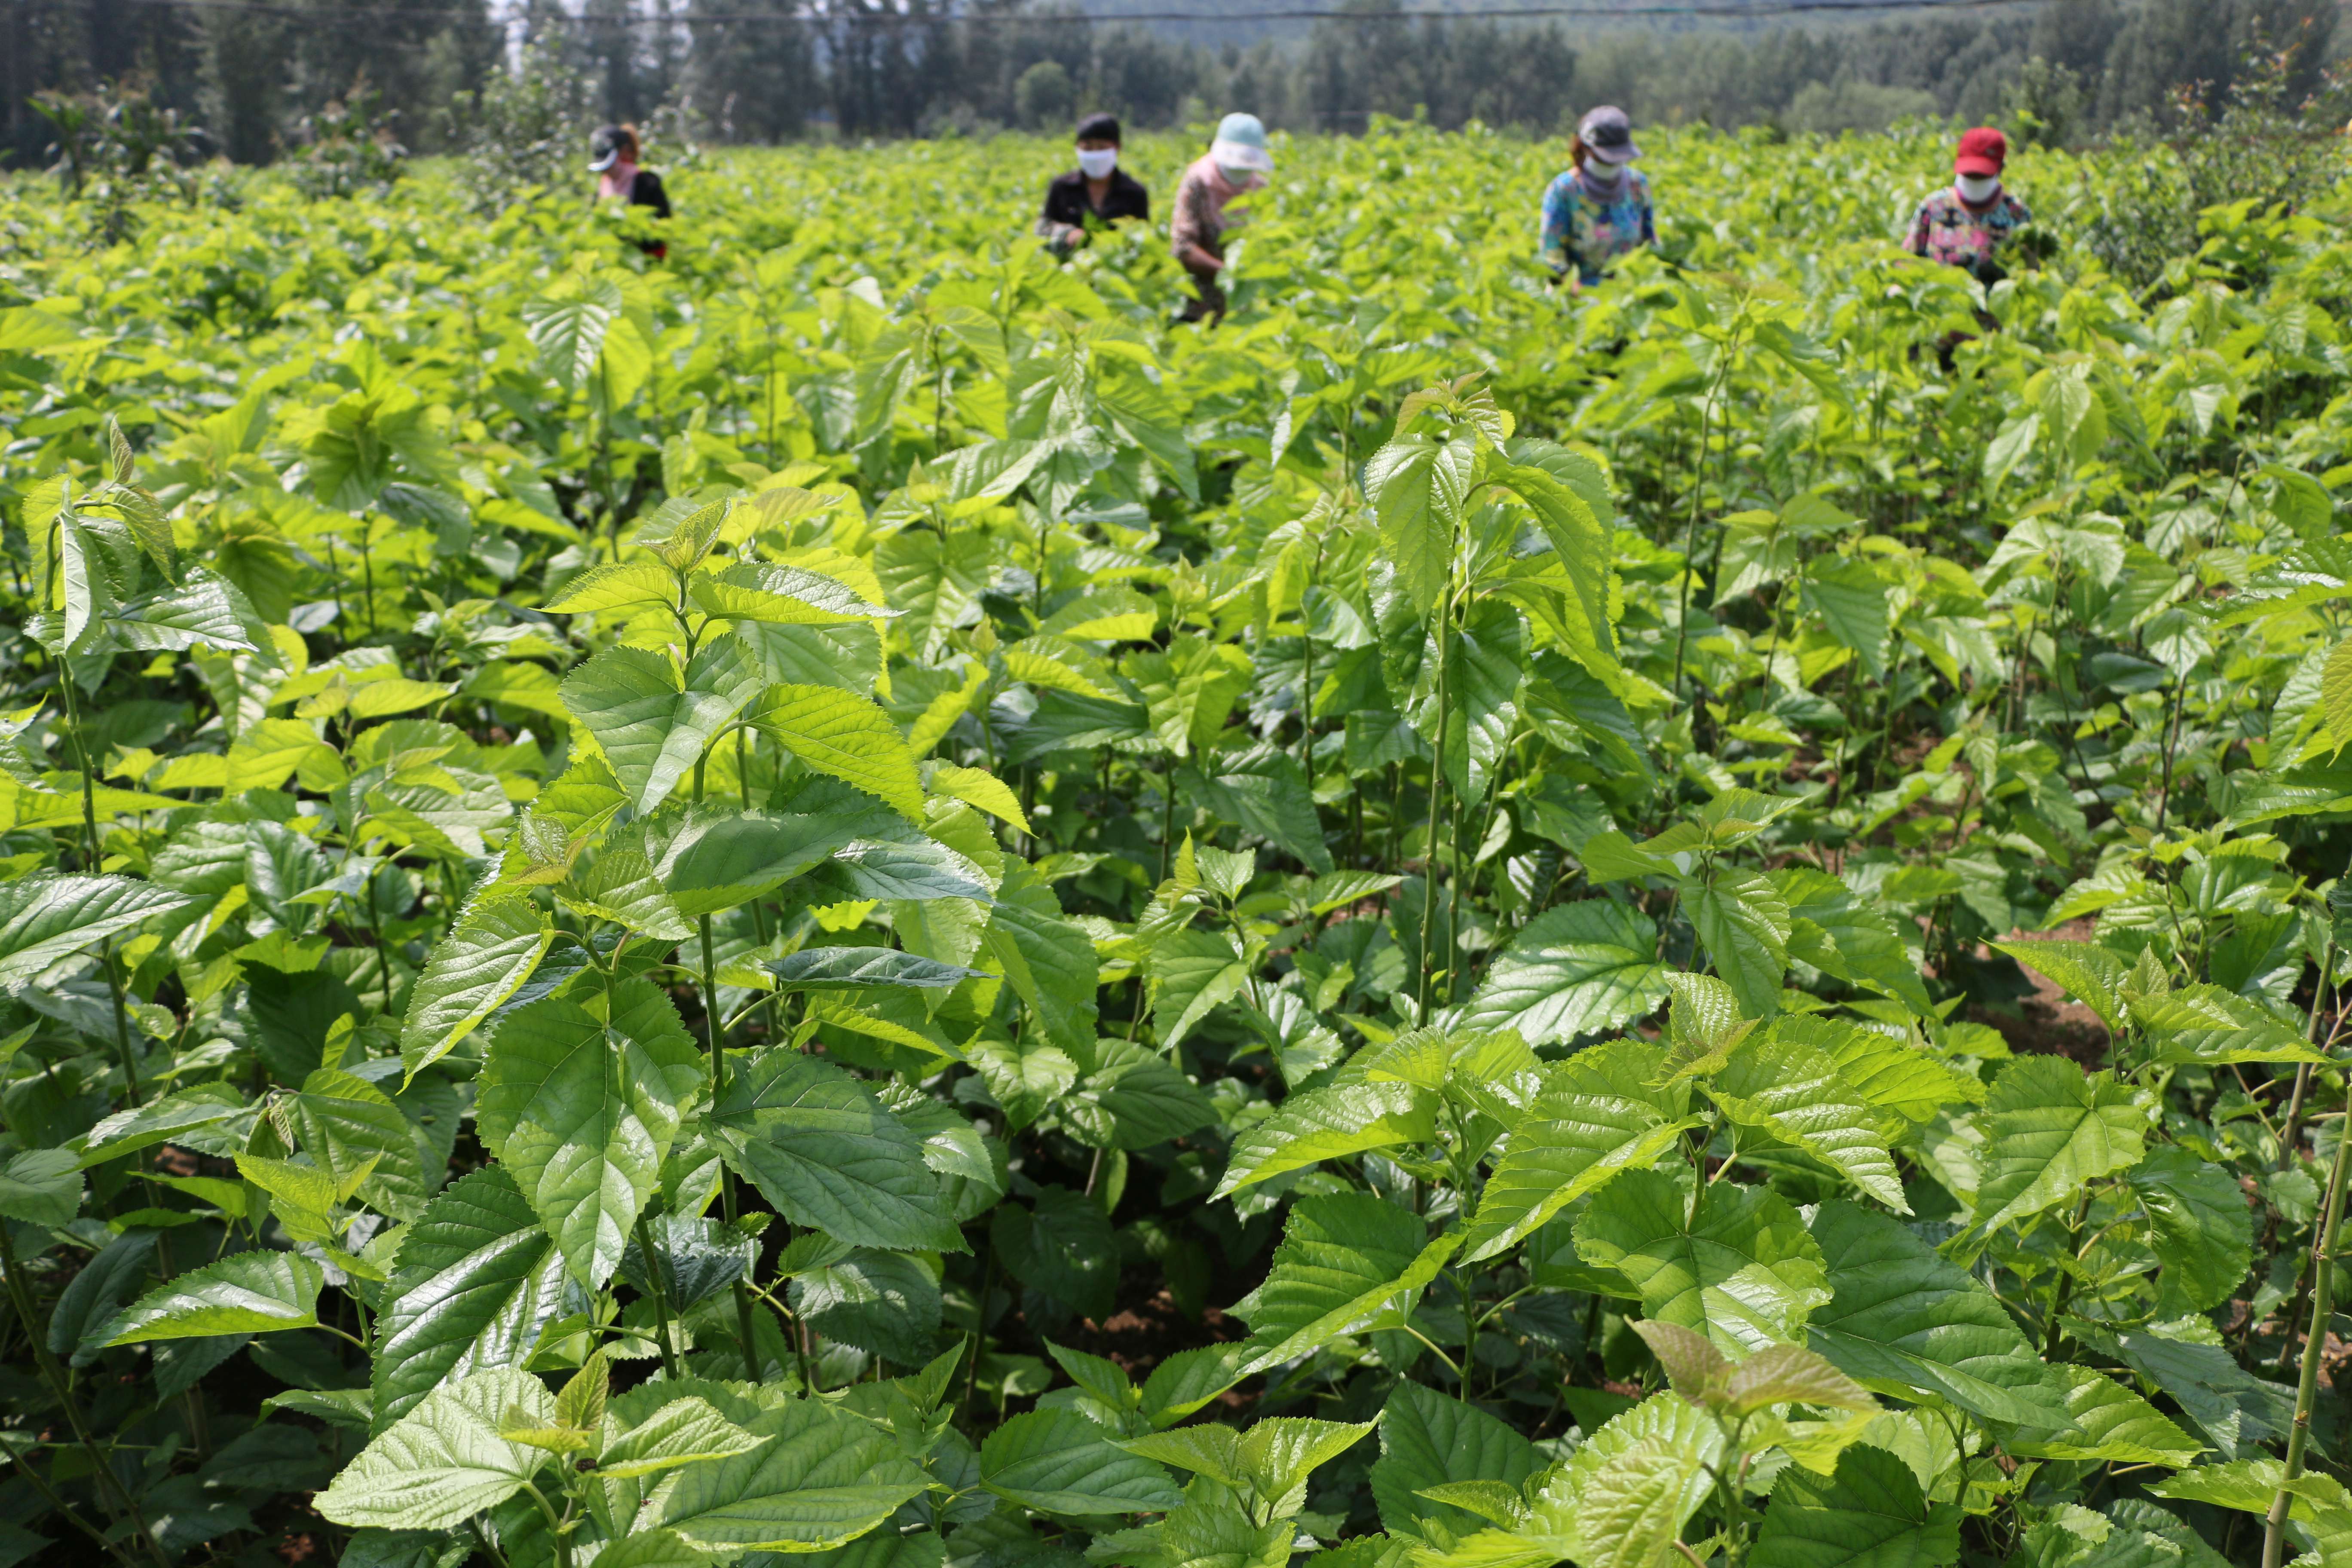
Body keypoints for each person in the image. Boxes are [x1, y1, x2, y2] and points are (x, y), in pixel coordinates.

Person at [1170, 113, 1273, 326]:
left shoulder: (1260, 189)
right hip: (1200, 307)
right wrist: (1229, 274)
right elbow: (1183, 247)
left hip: (1245, 308)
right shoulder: (1198, 182)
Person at [1538, 107, 1655, 292]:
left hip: (1628, 293)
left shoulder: (1637, 185)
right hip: (1578, 298)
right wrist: (1580, 293)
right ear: (1586, 149)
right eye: (1605, 158)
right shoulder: (1565, 190)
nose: (1611, 164)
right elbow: (1553, 256)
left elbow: (1650, 244)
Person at [1902, 126, 2030, 285]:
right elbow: (1908, 264)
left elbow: (2029, 274)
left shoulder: (2016, 213)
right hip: (1941, 306)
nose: (1975, 179)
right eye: (1970, 174)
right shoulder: (1933, 208)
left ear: (2001, 169)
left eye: (1982, 175)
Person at [1037, 112, 1149, 257]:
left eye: (1102, 147)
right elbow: (1043, 227)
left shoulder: (1134, 193)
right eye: (1088, 148)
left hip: (1117, 268)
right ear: (1078, 148)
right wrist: (1067, 233)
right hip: (1068, 267)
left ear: (1117, 147)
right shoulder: (1062, 187)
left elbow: (1143, 239)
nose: (1095, 154)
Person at [588, 124, 671, 259]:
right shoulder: (602, 188)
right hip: (615, 259)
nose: (605, 171)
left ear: (625, 151)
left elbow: (663, 229)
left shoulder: (648, 184)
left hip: (648, 262)